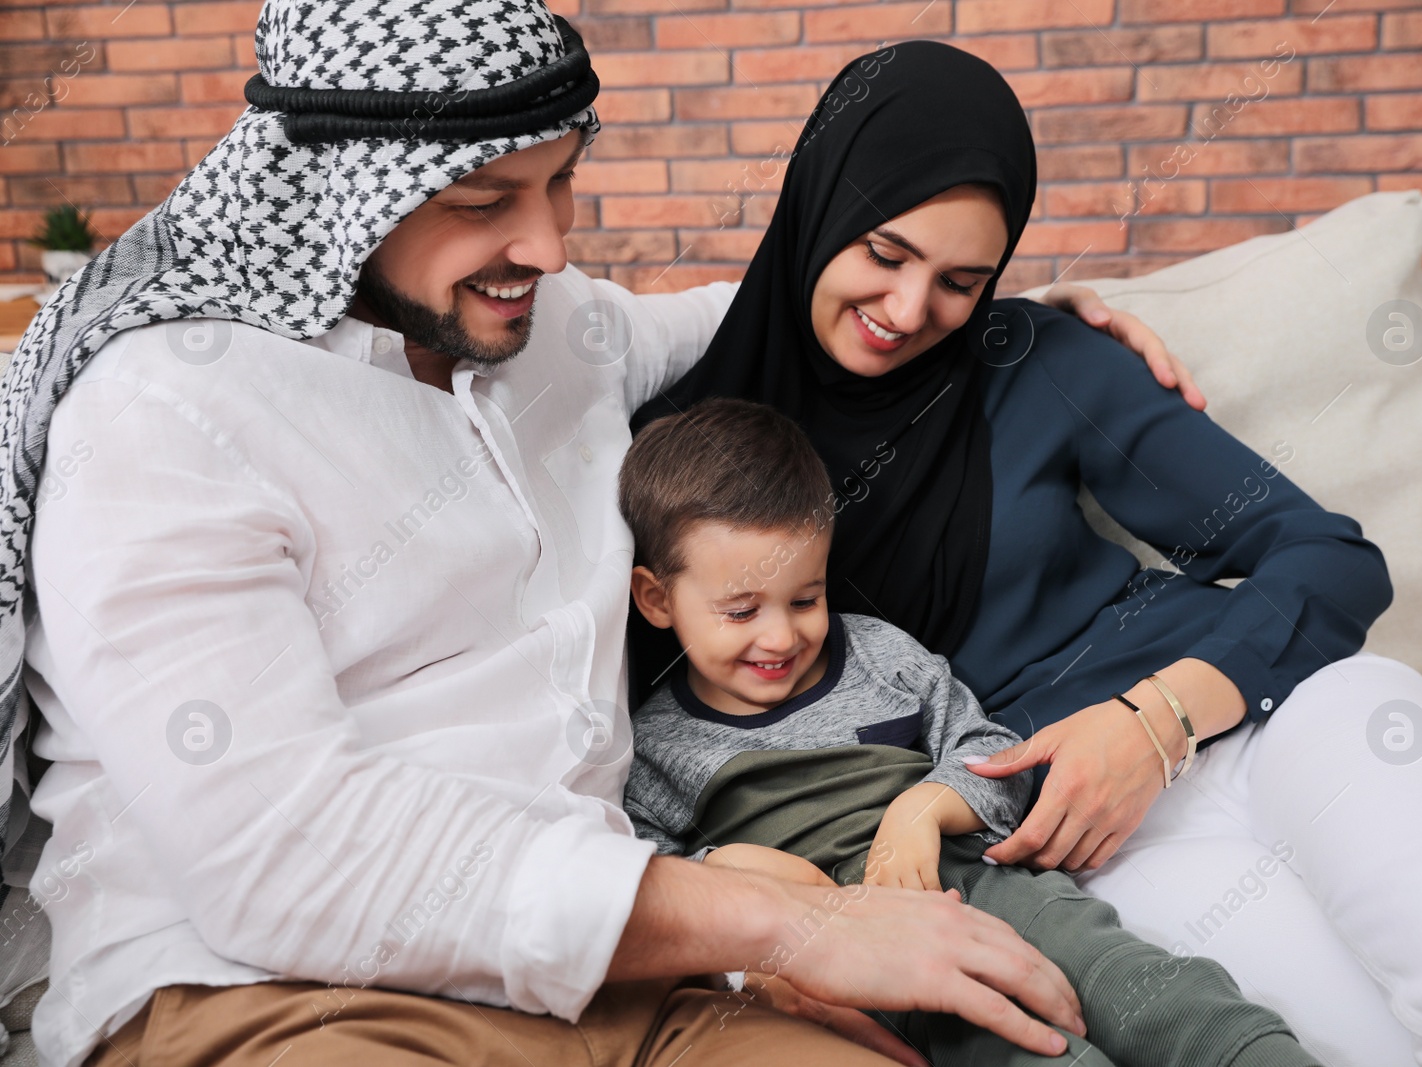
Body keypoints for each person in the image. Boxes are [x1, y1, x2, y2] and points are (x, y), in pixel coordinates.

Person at [0, 4, 1192, 1067]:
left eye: (561, 181)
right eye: (485, 202)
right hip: (274, 998)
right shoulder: (167, 411)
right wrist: (792, 925)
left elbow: (786, 307)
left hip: (621, 982)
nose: (550, 246)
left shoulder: (553, 327)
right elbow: (284, 858)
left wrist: (1014, 333)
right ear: (333, 188)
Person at [629, 40, 1422, 1067]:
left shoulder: (1029, 360)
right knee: (1338, 1044)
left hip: (1275, 708)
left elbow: (1327, 555)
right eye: (884, 251)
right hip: (1080, 841)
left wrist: (1154, 722)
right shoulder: (683, 465)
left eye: (963, 279)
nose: (911, 312)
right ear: (821, 203)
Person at [617, 396, 1324, 1067]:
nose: (781, 634)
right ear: (656, 597)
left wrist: (921, 807)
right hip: (847, 968)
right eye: (740, 611)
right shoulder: (653, 746)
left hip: (991, 893)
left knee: (1164, 998)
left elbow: (990, 750)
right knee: (1029, 1051)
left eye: (806, 597)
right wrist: (741, 872)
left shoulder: (876, 655)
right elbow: (645, 886)